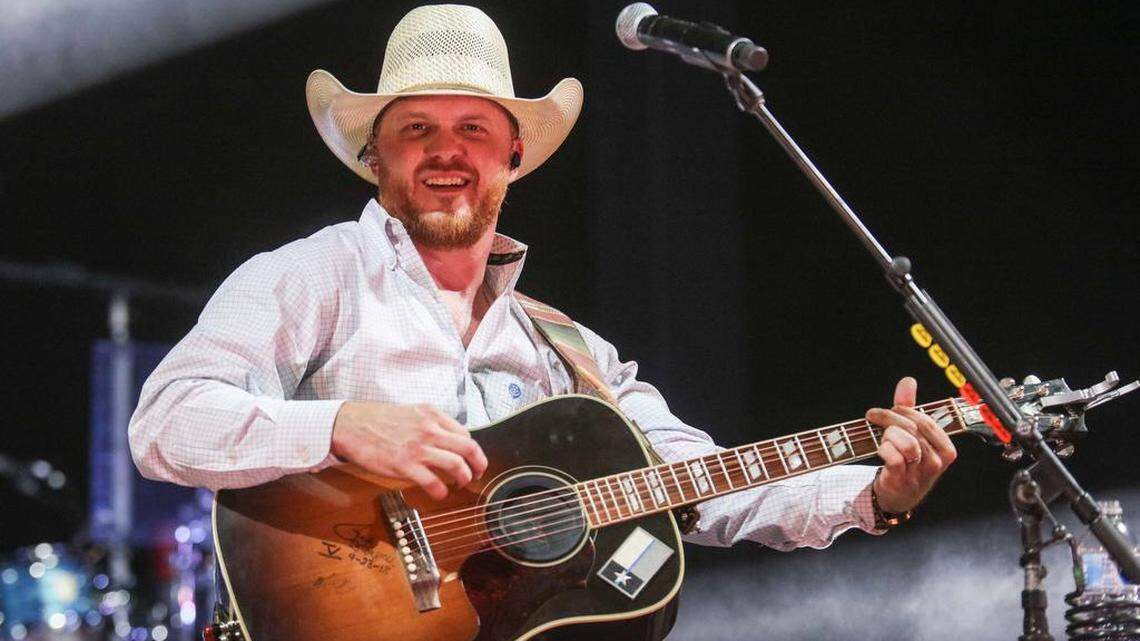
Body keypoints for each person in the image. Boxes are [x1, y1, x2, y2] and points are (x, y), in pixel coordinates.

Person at [128, 4, 955, 552]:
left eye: (473, 128)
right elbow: (165, 423)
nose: (446, 150)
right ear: (374, 157)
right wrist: (342, 426)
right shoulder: (312, 276)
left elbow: (704, 486)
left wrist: (874, 493)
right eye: (416, 127)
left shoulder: (570, 348)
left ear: (513, 156)